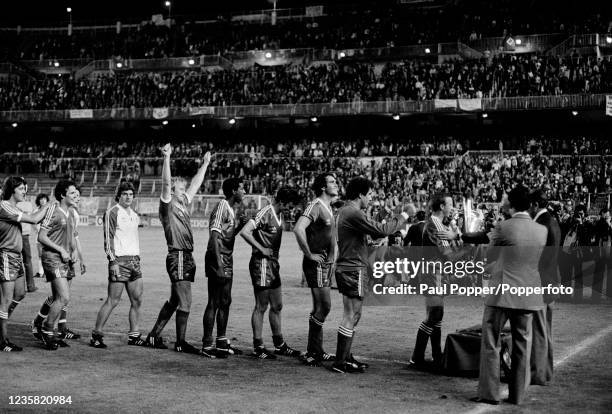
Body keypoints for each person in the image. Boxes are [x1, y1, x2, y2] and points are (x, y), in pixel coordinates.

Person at [472, 186, 547, 405]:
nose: (502, 201)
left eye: (505, 199)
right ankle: (518, 395)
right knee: (522, 344)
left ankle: (490, 393)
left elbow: (489, 259)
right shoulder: (541, 230)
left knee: (491, 342)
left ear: (511, 203)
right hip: (528, 293)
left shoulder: (503, 226)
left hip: (502, 293)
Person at [332, 177, 408, 373]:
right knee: (351, 314)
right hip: (353, 268)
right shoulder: (353, 212)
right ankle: (341, 362)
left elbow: (373, 236)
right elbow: (382, 230)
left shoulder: (346, 211)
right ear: (360, 194)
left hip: (349, 266)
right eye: (370, 194)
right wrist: (404, 216)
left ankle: (346, 357)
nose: (371, 198)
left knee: (353, 314)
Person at [145, 144, 211, 354]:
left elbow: (195, 184)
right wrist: (166, 158)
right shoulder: (167, 204)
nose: (185, 192)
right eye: (181, 189)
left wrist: (205, 165)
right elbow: (166, 183)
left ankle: (153, 336)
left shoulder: (181, 202)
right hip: (178, 255)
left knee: (175, 300)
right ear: (173, 191)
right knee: (186, 301)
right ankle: (181, 342)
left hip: (185, 256)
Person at [240, 187, 302, 359]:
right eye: (289, 205)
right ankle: (258, 346)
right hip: (262, 264)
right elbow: (245, 231)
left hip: (273, 265)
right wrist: (261, 248)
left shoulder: (279, 215)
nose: (291, 208)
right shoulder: (265, 212)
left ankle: (279, 344)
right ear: (282, 202)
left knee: (277, 305)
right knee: (261, 306)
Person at [408, 194, 464, 370]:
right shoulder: (434, 225)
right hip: (434, 275)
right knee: (435, 315)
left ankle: (436, 355)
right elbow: (447, 255)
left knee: (436, 316)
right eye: (450, 204)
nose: (452, 208)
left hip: (436, 275)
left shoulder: (438, 224)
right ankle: (417, 357)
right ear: (441, 206)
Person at [90, 182, 146, 348]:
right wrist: (112, 261)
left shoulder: (135, 215)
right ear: (119, 196)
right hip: (119, 261)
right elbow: (108, 239)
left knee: (137, 300)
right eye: (125, 194)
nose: (128, 197)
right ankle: (96, 335)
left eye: (131, 194)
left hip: (135, 261)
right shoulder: (112, 212)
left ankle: (134, 335)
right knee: (113, 300)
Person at [293, 173, 339, 366]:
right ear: (322, 187)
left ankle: (316, 350)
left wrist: (333, 256)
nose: (336, 184)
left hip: (326, 264)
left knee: (319, 308)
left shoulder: (328, 207)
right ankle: (313, 351)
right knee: (325, 306)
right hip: (317, 264)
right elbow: (298, 228)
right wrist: (309, 254)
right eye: (332, 182)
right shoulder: (315, 206)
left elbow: (331, 236)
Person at [0, 177, 49, 351]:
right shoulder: (4, 205)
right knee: (5, 299)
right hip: (5, 255)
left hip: (15, 256)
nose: (24, 192)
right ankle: (2, 339)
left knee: (19, 293)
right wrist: (47, 206)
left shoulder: (14, 207)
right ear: (12, 190)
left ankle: (2, 323)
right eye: (21, 189)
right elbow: (35, 219)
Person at [202, 177, 246, 358]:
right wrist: (219, 265)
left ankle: (221, 341)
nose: (244, 192)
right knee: (214, 301)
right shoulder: (221, 206)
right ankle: (206, 344)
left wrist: (240, 226)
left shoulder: (230, 209)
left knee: (225, 301)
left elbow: (226, 236)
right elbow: (214, 236)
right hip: (217, 259)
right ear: (234, 190)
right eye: (242, 188)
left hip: (227, 259)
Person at [34, 179, 80, 350]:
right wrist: (60, 249)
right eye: (72, 193)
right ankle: (48, 330)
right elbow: (42, 237)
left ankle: (39, 325)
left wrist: (74, 251)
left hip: (65, 259)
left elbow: (71, 238)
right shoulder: (54, 210)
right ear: (62, 195)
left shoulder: (71, 212)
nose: (76, 195)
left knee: (58, 298)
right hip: (52, 257)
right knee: (64, 297)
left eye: (76, 192)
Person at [528, 189, 561, 386]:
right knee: (545, 329)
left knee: (539, 329)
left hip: (541, 281)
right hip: (550, 281)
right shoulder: (552, 220)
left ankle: (538, 373)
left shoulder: (542, 223)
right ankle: (546, 370)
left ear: (534, 205)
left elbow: (543, 258)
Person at [16, 190, 37, 292]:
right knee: (27, 261)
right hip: (24, 236)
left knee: (17, 261)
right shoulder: (28, 204)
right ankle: (30, 286)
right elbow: (32, 217)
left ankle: (18, 286)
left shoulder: (15, 204)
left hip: (19, 235)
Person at [592, 208, 612, 303]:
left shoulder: (608, 223)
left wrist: (609, 225)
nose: (607, 217)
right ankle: (596, 296)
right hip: (601, 250)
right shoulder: (600, 222)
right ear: (603, 214)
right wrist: (607, 224)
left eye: (608, 215)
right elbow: (597, 233)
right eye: (606, 215)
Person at [33, 193, 49, 278]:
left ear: (47, 200)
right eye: (41, 199)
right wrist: (36, 230)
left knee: (47, 254)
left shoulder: (49, 210)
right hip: (38, 237)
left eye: (44, 199)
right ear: (38, 201)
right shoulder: (36, 211)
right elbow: (33, 222)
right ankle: (40, 272)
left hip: (47, 236)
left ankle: (47, 271)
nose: (43, 200)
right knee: (40, 255)